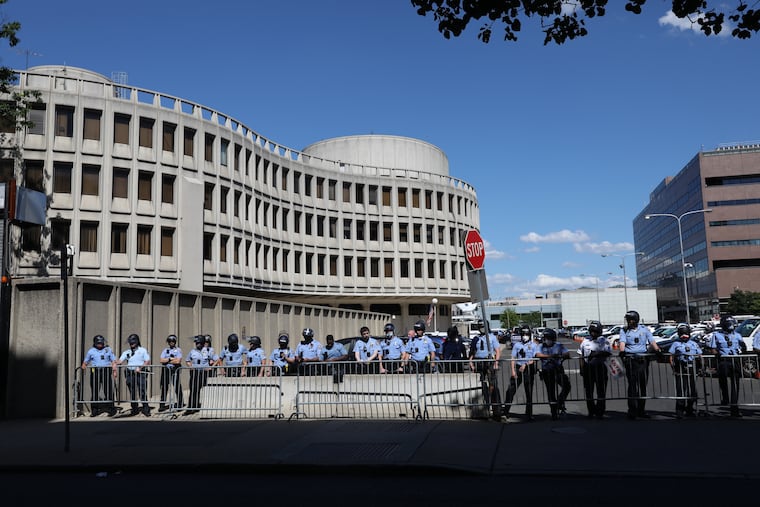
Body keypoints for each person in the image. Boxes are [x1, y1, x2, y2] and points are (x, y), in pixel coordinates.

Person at [618, 310, 660, 419]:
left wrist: (658, 351)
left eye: (629, 320)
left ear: (635, 320)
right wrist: (622, 351)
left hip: (643, 360)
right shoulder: (624, 330)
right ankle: (632, 411)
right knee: (632, 386)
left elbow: (652, 341)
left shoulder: (644, 329)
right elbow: (622, 342)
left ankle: (641, 410)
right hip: (631, 360)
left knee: (642, 386)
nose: (628, 322)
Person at [709, 315, 743, 417]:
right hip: (723, 360)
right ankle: (725, 397)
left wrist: (743, 348)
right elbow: (713, 347)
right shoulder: (716, 335)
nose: (731, 326)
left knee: (735, 384)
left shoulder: (737, 335)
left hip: (735, 360)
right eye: (729, 324)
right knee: (722, 379)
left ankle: (734, 407)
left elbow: (742, 345)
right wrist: (716, 354)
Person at [503, 325, 538, 421]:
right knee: (510, 390)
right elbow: (513, 358)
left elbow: (534, 359)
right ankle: (506, 412)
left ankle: (529, 414)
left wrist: (526, 364)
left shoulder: (534, 345)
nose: (524, 336)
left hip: (528, 369)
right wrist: (513, 371)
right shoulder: (517, 345)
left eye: (526, 334)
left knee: (529, 392)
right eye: (523, 334)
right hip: (518, 368)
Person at [577, 321, 611, 419]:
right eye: (592, 331)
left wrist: (596, 354)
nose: (593, 333)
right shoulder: (585, 341)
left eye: (595, 331)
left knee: (601, 391)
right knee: (589, 391)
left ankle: (600, 411)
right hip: (589, 368)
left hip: (600, 367)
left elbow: (608, 353)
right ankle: (591, 411)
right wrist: (581, 368)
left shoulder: (604, 341)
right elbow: (581, 355)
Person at [535, 328, 571, 420]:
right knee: (551, 392)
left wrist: (560, 356)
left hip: (558, 369)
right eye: (545, 338)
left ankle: (560, 401)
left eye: (548, 338)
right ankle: (553, 412)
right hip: (547, 371)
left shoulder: (558, 345)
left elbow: (567, 353)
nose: (546, 340)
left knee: (567, 386)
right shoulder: (541, 346)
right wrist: (550, 356)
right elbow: (538, 355)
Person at [668, 323, 702, 418]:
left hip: (692, 367)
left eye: (686, 334)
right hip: (680, 367)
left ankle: (690, 409)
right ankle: (679, 410)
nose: (684, 336)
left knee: (692, 390)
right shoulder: (675, 344)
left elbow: (700, 356)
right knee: (681, 390)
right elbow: (671, 358)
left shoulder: (694, 344)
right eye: (682, 334)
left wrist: (701, 367)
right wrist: (674, 369)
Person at [468, 324, 502, 420]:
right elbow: (472, 351)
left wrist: (496, 363)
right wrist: (471, 362)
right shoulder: (476, 339)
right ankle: (483, 408)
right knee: (480, 385)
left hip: (489, 362)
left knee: (493, 385)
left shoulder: (492, 337)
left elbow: (498, 350)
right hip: (479, 362)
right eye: (480, 327)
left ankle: (496, 410)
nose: (481, 329)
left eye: (483, 326)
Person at [113, 333, 151, 417]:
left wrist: (140, 368)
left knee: (142, 391)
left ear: (137, 342)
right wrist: (114, 363)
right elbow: (120, 361)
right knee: (132, 392)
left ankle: (146, 409)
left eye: (133, 342)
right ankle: (134, 409)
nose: (131, 344)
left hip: (140, 373)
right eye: (130, 342)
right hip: (130, 373)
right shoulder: (127, 352)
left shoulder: (142, 350)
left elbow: (147, 361)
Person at [81, 334, 116, 416]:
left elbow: (113, 361)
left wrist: (115, 371)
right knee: (95, 391)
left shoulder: (108, 350)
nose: (101, 344)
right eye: (99, 343)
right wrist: (83, 366)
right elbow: (85, 362)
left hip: (106, 371)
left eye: (102, 343)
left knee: (108, 391)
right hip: (95, 372)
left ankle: (111, 409)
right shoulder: (91, 351)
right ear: (95, 343)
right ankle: (94, 410)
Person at [184, 335, 218, 414]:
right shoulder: (192, 351)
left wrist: (211, 367)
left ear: (202, 343)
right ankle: (191, 408)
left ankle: (207, 407)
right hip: (195, 373)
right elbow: (187, 360)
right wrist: (190, 366)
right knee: (193, 390)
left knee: (206, 390)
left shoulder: (208, 351)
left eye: (199, 343)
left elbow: (217, 359)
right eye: (196, 343)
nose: (197, 344)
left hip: (204, 373)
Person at [158, 334, 184, 412]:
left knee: (177, 387)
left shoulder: (178, 350)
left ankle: (180, 403)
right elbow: (161, 360)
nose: (171, 343)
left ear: (175, 342)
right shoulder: (165, 350)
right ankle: (162, 405)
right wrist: (170, 359)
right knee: (164, 388)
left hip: (174, 370)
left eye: (173, 341)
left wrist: (167, 360)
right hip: (166, 370)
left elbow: (178, 361)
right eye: (170, 341)